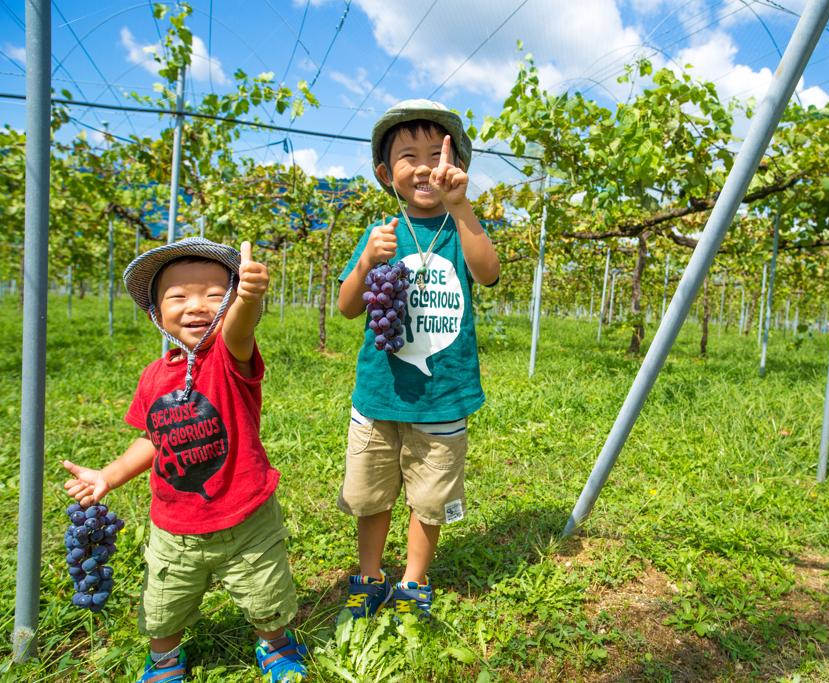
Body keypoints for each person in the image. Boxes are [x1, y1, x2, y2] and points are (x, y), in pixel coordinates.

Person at [61, 238, 308, 683]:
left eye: (216, 295)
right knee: (162, 605)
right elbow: (152, 438)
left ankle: (275, 645)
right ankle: (164, 659)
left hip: (246, 520)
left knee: (266, 594)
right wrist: (108, 476)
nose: (197, 305)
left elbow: (239, 329)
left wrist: (248, 300)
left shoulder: (229, 359)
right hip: (174, 528)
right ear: (157, 312)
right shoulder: (154, 376)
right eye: (178, 296)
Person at [335, 99, 500, 622]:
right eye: (410, 156)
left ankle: (413, 580)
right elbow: (346, 308)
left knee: (430, 500)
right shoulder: (380, 233)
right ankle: (369, 574)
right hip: (379, 395)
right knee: (371, 494)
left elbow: (489, 272)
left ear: (458, 167)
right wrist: (366, 261)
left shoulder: (460, 229)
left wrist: (462, 207)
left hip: (442, 397)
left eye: (438, 153)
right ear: (387, 173)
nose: (425, 165)